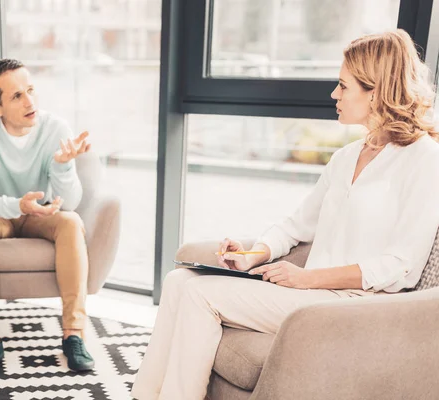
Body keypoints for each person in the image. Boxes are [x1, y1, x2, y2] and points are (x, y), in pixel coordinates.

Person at [131, 29, 439, 400]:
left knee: (200, 296)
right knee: (180, 281)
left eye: (343, 86)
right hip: (313, 294)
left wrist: (307, 279)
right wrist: (252, 255)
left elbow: (401, 265)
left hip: (357, 306)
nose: (334, 95)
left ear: (376, 91)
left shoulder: (424, 159)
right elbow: (296, 225)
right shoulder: (346, 157)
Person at [0, 59, 95, 375]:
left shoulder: (56, 128)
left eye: (30, 90)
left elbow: (71, 202)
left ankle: (73, 334)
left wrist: (62, 164)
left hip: (41, 214)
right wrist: (16, 205)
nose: (30, 101)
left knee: (72, 222)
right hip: (1, 216)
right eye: (17, 96)